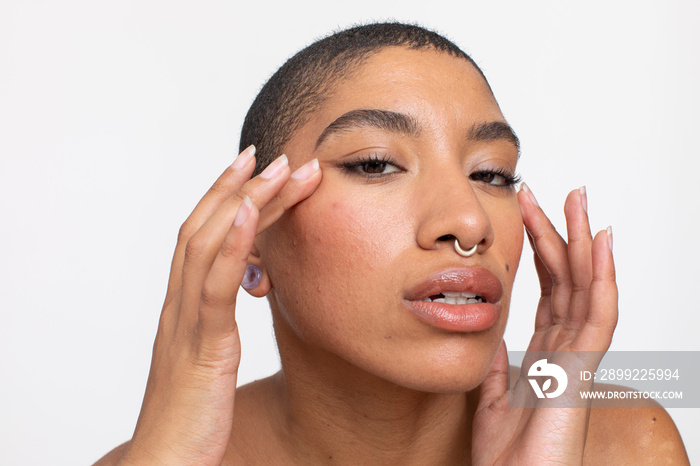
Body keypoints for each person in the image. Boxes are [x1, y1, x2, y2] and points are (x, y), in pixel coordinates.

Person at [96, 23, 689, 464]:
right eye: (376, 164)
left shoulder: (624, 446)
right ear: (252, 238)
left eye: (492, 175)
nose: (469, 220)